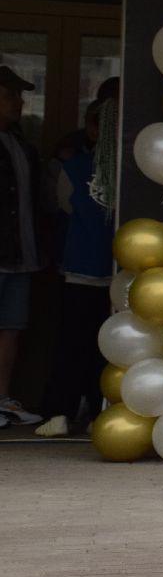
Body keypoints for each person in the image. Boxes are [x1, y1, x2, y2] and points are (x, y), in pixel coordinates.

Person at [37, 96, 119, 437]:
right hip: (103, 271)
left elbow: (61, 209)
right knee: (96, 345)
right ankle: (81, 411)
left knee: (80, 344)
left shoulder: (75, 169)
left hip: (96, 271)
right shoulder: (125, 169)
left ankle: (70, 411)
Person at [0, 64, 46, 429]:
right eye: (11, 95)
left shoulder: (20, 145)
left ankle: (3, 400)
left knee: (11, 327)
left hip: (21, 255)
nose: (19, 101)